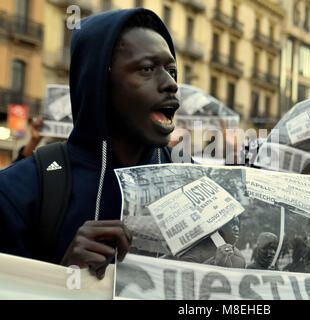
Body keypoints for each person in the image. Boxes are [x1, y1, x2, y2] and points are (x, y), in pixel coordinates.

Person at [0, 8, 179, 279]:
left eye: (172, 70)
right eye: (146, 69)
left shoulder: (199, 182)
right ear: (98, 81)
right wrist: (61, 279)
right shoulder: (18, 193)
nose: (170, 83)